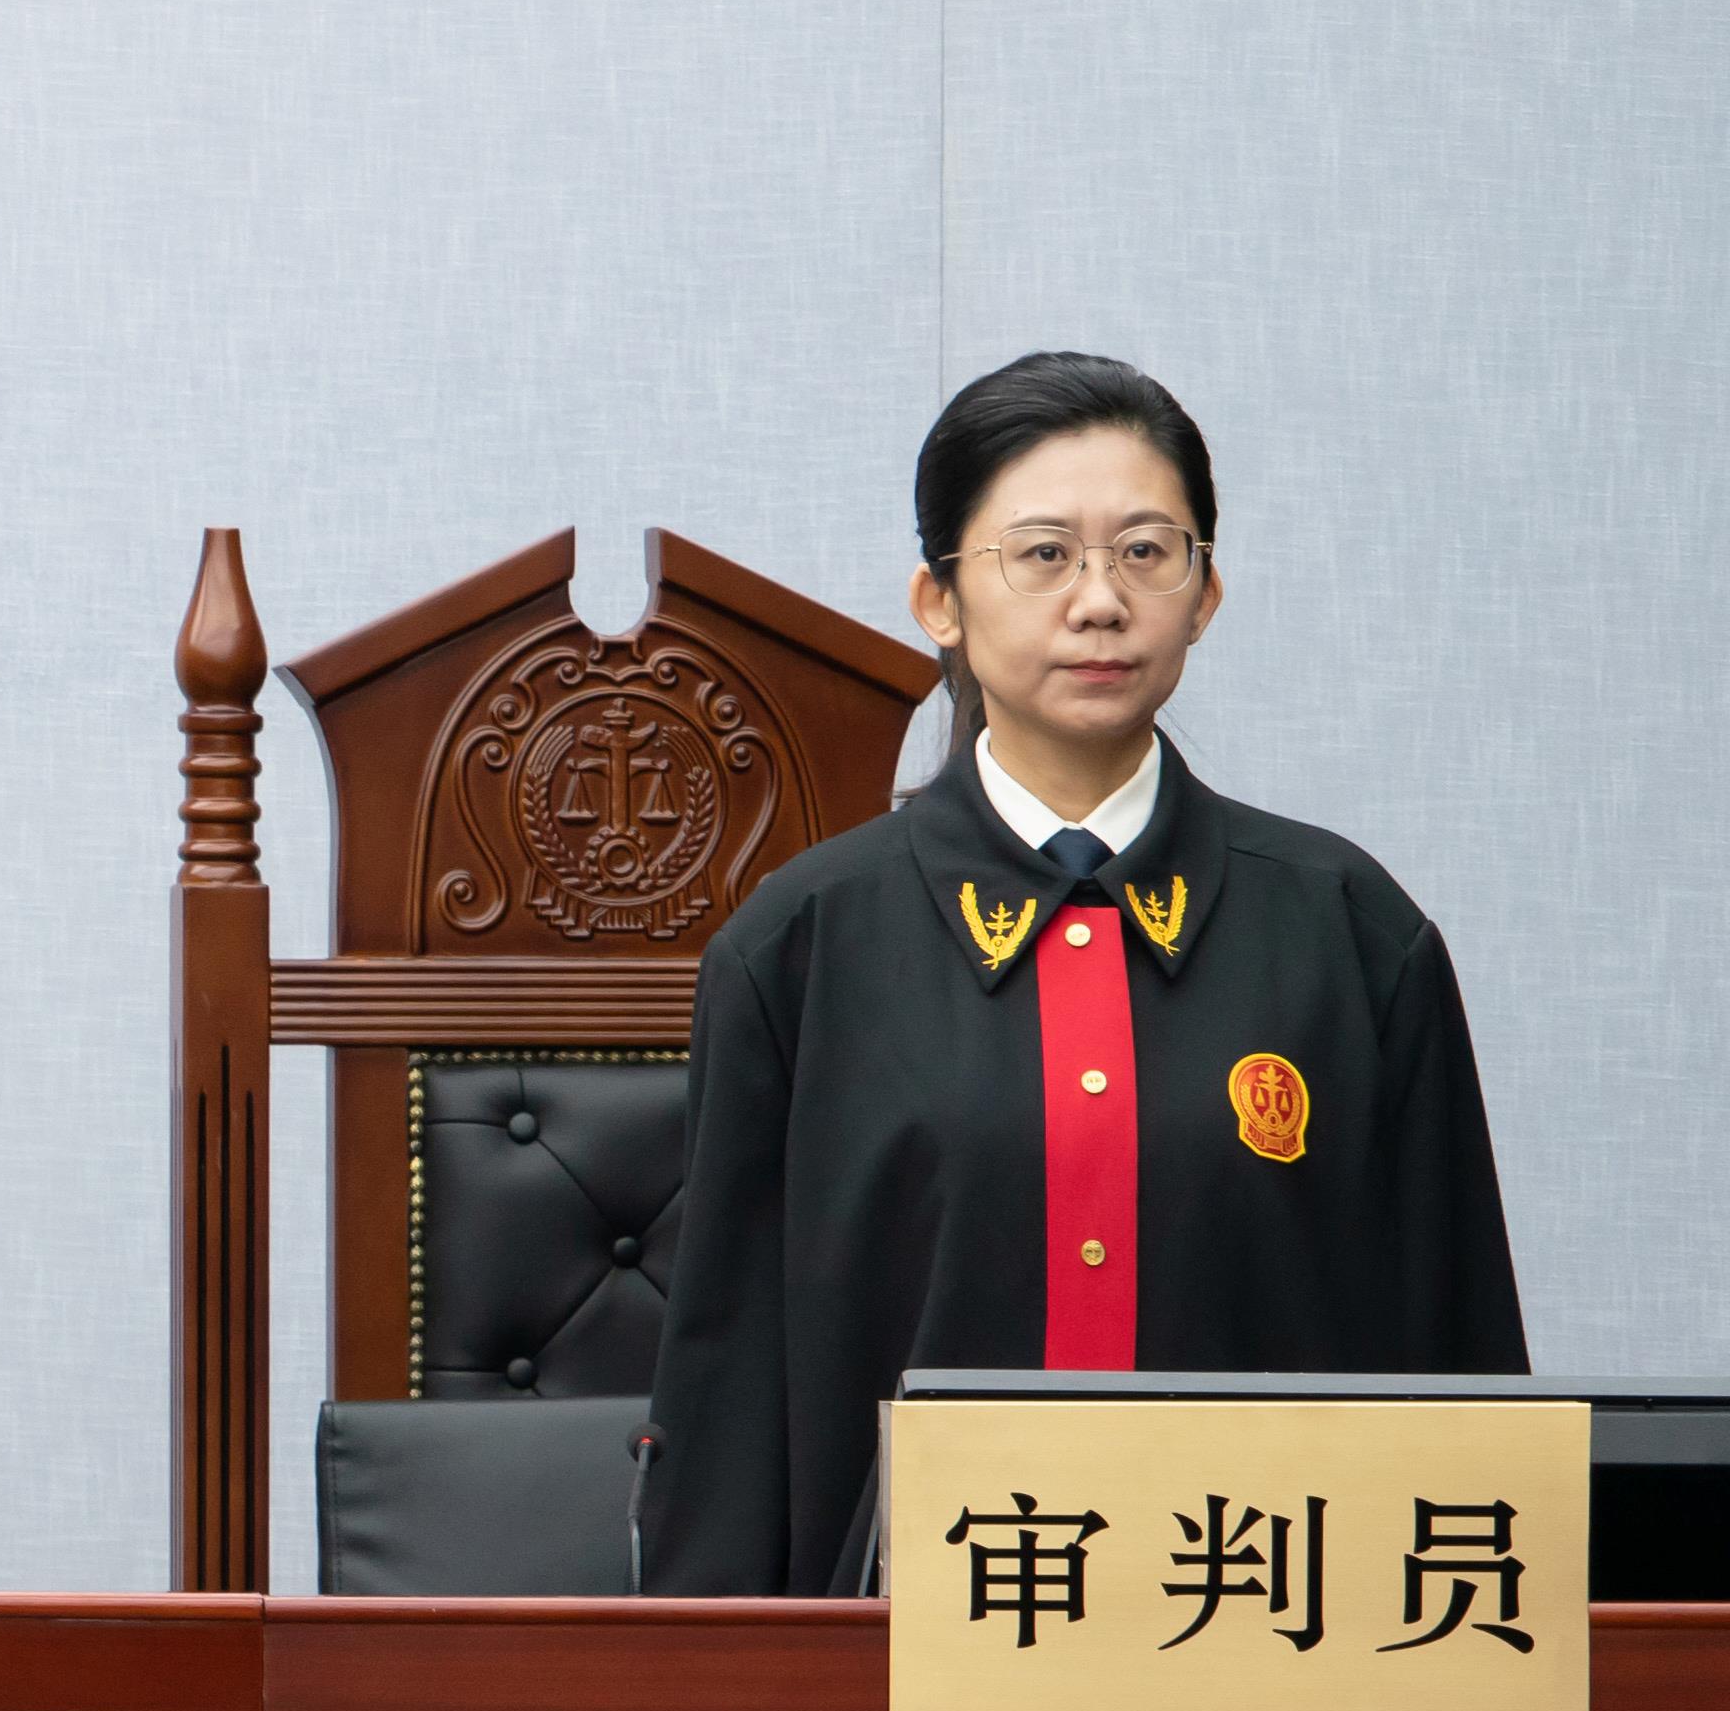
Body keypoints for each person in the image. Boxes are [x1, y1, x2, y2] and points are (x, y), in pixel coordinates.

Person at [638, 353, 1526, 1594]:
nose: (1097, 601)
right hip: (909, 1654)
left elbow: (1459, 1372)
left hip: (1266, 1634)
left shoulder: (1347, 931)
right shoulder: (799, 945)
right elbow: (726, 1399)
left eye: (1144, 553)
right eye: (1041, 554)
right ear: (937, 601)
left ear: (1204, 594)